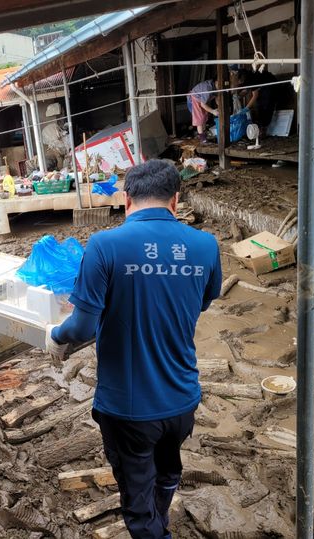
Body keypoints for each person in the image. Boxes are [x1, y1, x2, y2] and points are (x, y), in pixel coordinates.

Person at [44, 160, 222, 538]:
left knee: (137, 502)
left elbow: (82, 326)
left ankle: (154, 528)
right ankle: (160, 521)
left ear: (126, 200)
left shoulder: (105, 245)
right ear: (176, 199)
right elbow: (202, 302)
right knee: (168, 469)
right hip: (182, 398)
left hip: (129, 408)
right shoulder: (206, 245)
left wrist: (55, 336)